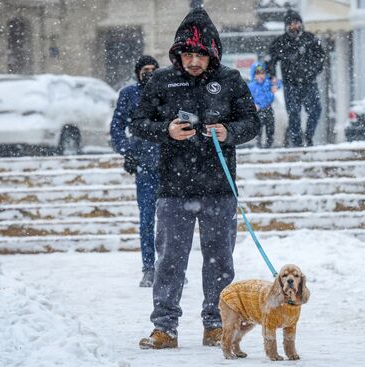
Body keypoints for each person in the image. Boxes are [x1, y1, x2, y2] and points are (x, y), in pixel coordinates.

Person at [131, 8, 259, 349]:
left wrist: (228, 131)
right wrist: (167, 130)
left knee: (219, 261)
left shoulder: (230, 80)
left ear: (212, 52)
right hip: (174, 188)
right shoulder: (161, 80)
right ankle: (165, 328)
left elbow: (252, 122)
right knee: (170, 259)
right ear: (177, 54)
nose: (192, 61)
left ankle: (216, 325)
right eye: (186, 54)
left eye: (199, 55)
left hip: (219, 187)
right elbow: (138, 123)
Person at [110, 55, 160, 287]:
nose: (149, 73)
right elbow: (117, 126)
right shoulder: (129, 94)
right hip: (144, 164)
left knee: (172, 221)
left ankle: (169, 264)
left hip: (171, 165)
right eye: (145, 70)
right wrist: (127, 151)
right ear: (138, 72)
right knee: (147, 218)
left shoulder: (167, 90)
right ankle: (148, 267)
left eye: (153, 69)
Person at [266, 9, 325, 147]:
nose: (294, 26)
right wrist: (272, 75)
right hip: (290, 84)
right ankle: (297, 142)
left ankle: (309, 136)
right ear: (286, 26)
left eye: (297, 23)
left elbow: (321, 58)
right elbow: (270, 60)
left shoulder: (310, 39)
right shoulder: (280, 42)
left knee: (316, 110)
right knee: (293, 114)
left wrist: (313, 71)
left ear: (301, 24)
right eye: (291, 24)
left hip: (309, 83)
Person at [248, 61, 281, 148]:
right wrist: (254, 105)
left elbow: (279, 83)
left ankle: (269, 144)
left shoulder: (268, 83)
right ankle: (258, 145)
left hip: (268, 109)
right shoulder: (251, 86)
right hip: (258, 111)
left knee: (270, 128)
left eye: (262, 73)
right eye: (258, 74)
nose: (260, 76)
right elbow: (248, 98)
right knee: (259, 129)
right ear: (253, 75)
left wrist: (275, 84)